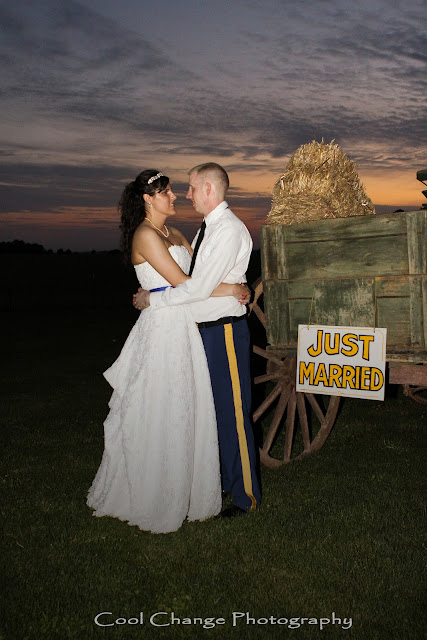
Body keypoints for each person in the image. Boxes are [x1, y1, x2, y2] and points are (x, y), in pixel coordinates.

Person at [87, 169, 248, 534]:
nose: (175, 197)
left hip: (184, 327)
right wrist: (235, 289)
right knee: (161, 408)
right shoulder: (145, 235)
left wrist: (230, 288)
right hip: (161, 333)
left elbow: (196, 281)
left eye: (176, 191)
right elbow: (186, 283)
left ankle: (189, 486)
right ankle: (151, 492)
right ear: (147, 199)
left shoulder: (176, 234)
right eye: (166, 193)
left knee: (187, 407)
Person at [133, 163, 261, 516]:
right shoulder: (207, 228)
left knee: (234, 414)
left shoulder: (228, 230)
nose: (185, 195)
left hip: (223, 331)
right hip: (200, 333)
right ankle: (221, 482)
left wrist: (152, 300)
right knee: (212, 413)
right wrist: (235, 287)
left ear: (208, 189)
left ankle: (245, 497)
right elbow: (192, 279)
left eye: (190, 188)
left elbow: (197, 288)